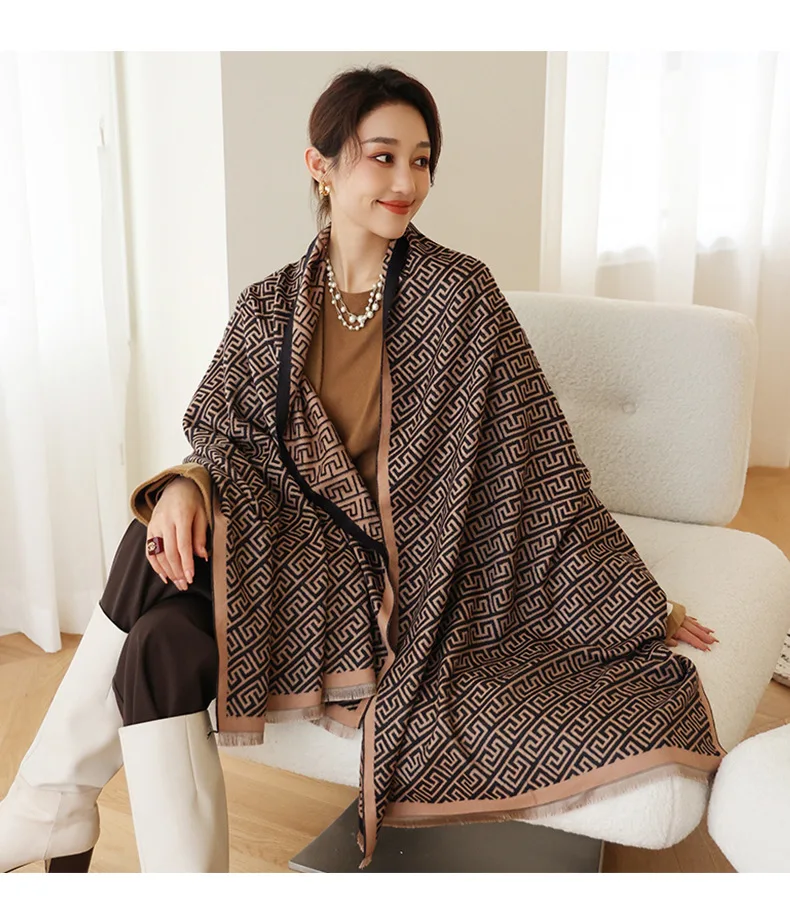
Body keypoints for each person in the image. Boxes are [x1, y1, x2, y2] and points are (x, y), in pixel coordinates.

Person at [0, 65, 719, 875]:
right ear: (322, 165)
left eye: (422, 160)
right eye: (383, 157)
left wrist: (636, 603)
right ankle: (86, 824)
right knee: (159, 632)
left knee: (153, 597)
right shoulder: (269, 306)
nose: (407, 182)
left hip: (396, 582)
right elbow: (227, 439)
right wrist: (183, 485)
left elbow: (543, 464)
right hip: (288, 551)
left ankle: (46, 803)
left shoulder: (460, 296)